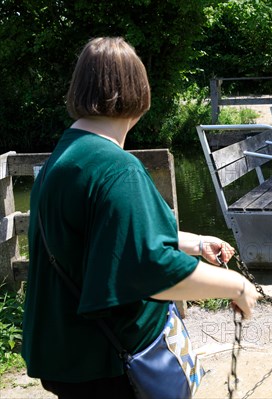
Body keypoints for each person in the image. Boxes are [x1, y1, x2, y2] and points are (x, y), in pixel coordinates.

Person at [21, 37, 259, 398]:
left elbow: (102, 237)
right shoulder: (118, 168)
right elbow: (153, 272)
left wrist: (194, 243)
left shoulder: (65, 156)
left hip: (66, 354)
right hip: (109, 361)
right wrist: (238, 287)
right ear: (139, 94)